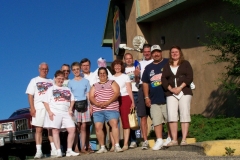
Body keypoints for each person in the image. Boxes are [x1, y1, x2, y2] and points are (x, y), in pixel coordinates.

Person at [161, 45, 193, 146]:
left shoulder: (186, 64)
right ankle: (174, 139)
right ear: (170, 54)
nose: (174, 54)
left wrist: (180, 88)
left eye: (176, 52)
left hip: (184, 91)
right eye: (172, 52)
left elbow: (189, 77)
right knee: (172, 115)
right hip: (171, 93)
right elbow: (163, 79)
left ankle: (183, 139)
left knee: (184, 113)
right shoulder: (167, 65)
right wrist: (171, 89)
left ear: (180, 53)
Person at [43, 70, 79, 157]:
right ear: (55, 79)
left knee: (72, 129)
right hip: (55, 112)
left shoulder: (67, 89)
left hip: (66, 112)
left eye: (62, 79)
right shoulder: (50, 89)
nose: (60, 80)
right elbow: (45, 102)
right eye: (59, 78)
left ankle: (69, 150)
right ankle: (58, 150)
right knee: (55, 130)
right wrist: (49, 112)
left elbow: (72, 99)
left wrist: (70, 108)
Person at [25, 62, 57, 158]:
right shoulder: (34, 80)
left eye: (46, 69)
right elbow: (30, 95)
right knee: (38, 129)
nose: (45, 70)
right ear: (39, 70)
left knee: (50, 129)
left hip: (50, 108)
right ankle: (39, 151)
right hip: (39, 107)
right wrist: (32, 108)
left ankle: (54, 149)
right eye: (43, 69)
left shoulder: (51, 81)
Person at [89, 67, 123, 153]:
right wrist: (96, 104)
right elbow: (91, 96)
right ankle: (102, 147)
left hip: (111, 107)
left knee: (114, 124)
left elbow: (117, 93)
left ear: (107, 74)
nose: (102, 75)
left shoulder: (112, 82)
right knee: (98, 127)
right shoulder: (94, 85)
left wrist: (108, 102)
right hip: (98, 109)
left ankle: (117, 145)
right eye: (100, 73)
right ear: (98, 75)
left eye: (104, 73)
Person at [142, 45, 169, 150]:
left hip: (167, 96)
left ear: (161, 52)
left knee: (170, 119)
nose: (156, 54)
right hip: (154, 99)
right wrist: (146, 97)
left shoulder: (167, 62)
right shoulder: (148, 68)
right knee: (157, 120)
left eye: (158, 52)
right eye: (154, 53)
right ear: (151, 54)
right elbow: (145, 83)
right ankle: (159, 140)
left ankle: (170, 138)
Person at [110, 60, 135, 151]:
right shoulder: (110, 78)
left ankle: (125, 144)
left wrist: (132, 102)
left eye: (119, 65)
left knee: (125, 121)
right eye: (115, 66)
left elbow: (129, 89)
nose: (117, 67)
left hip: (125, 98)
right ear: (113, 67)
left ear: (122, 67)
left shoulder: (125, 77)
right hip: (114, 100)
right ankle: (113, 145)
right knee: (113, 122)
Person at [68, 62, 91, 154]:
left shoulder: (86, 81)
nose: (76, 71)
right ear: (72, 71)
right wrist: (70, 108)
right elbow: (69, 96)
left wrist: (90, 106)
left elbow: (88, 94)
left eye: (77, 69)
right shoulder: (70, 83)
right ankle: (76, 147)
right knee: (76, 127)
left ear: (80, 69)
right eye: (74, 70)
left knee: (84, 126)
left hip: (84, 105)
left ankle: (83, 147)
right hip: (75, 106)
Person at [134, 44, 153, 149]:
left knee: (157, 113)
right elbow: (136, 81)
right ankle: (145, 140)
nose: (146, 53)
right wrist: (136, 75)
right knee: (143, 115)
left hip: (154, 87)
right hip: (141, 88)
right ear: (143, 52)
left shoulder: (155, 62)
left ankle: (162, 135)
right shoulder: (139, 64)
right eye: (145, 51)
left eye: (148, 51)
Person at [124, 53, 139, 149]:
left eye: (130, 58)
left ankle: (142, 138)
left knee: (140, 116)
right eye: (127, 59)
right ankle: (132, 140)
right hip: (128, 94)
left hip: (138, 92)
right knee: (131, 117)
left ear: (132, 59)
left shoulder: (137, 67)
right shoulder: (123, 70)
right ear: (124, 60)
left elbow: (139, 80)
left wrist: (137, 75)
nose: (129, 60)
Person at [79, 58, 95, 153]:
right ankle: (82, 147)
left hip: (93, 102)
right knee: (82, 126)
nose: (85, 67)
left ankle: (89, 145)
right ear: (81, 67)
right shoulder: (79, 76)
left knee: (92, 125)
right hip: (81, 104)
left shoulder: (94, 75)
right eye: (84, 65)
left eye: (87, 65)